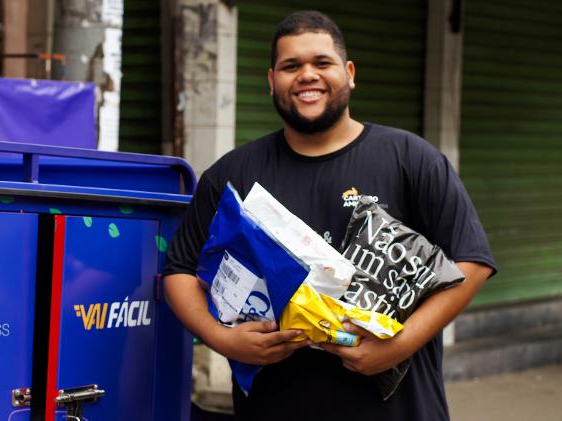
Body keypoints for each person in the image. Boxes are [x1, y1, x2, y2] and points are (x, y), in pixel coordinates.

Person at [162, 10, 496, 421]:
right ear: (271, 82)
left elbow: (473, 262)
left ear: (349, 73)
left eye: (322, 63)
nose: (307, 75)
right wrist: (223, 339)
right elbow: (178, 271)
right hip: (274, 405)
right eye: (291, 66)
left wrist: (398, 345)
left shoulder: (411, 158)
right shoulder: (233, 174)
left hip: (399, 409)